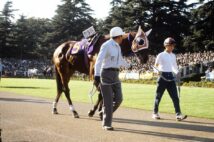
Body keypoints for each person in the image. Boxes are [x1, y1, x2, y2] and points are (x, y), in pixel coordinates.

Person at [94, 27, 129, 130]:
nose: (123, 38)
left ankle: (104, 112)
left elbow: (120, 60)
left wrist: (128, 65)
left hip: (115, 75)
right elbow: (99, 61)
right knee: (108, 101)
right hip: (106, 74)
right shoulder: (106, 45)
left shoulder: (118, 46)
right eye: (122, 36)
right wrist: (96, 75)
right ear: (118, 36)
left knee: (119, 99)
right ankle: (106, 124)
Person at [152, 37, 187, 121]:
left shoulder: (173, 55)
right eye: (170, 45)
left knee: (175, 97)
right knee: (158, 96)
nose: (172, 47)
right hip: (162, 76)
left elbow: (174, 67)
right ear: (166, 46)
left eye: (173, 46)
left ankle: (178, 114)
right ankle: (155, 113)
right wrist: (157, 72)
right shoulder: (160, 55)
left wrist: (177, 72)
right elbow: (155, 66)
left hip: (171, 77)